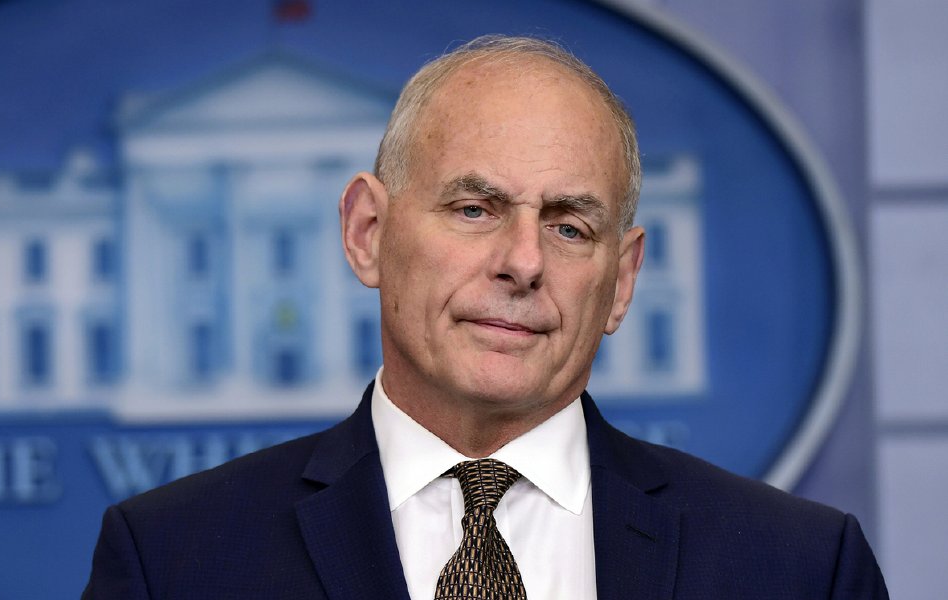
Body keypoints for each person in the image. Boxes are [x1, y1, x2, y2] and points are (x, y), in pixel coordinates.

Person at [82, 35, 889, 599]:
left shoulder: (800, 570)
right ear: (368, 234)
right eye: (475, 209)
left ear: (621, 281)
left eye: (570, 227)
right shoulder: (174, 562)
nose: (523, 262)